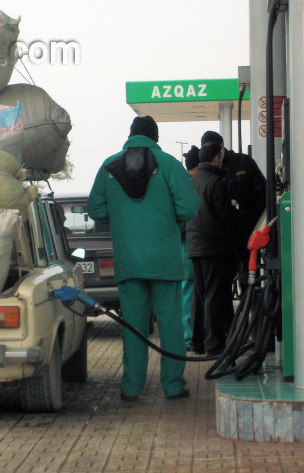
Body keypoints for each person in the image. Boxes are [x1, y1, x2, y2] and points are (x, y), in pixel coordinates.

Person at [87, 115, 200, 401]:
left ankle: (132, 387)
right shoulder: (171, 165)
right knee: (171, 327)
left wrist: (123, 215)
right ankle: (173, 386)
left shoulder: (109, 166)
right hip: (165, 261)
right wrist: (165, 215)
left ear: (131, 135)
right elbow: (188, 208)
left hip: (128, 262)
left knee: (134, 327)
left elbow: (96, 210)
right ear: (156, 138)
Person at [186, 141, 241, 356]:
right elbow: (225, 216)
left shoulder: (192, 181)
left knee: (200, 296)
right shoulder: (217, 183)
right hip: (215, 247)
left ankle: (196, 343)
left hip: (195, 246)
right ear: (217, 157)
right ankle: (214, 344)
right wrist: (239, 211)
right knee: (214, 295)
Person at [200, 131, 266, 288]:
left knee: (249, 275)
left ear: (222, 147)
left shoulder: (243, 162)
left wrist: (258, 223)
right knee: (223, 280)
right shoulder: (207, 173)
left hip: (247, 231)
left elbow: (263, 194)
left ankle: (250, 303)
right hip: (222, 236)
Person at [181, 145, 200, 351]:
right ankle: (187, 338)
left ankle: (188, 336)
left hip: (182, 250)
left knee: (185, 296)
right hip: (189, 251)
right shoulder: (193, 184)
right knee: (188, 297)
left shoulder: (182, 183)